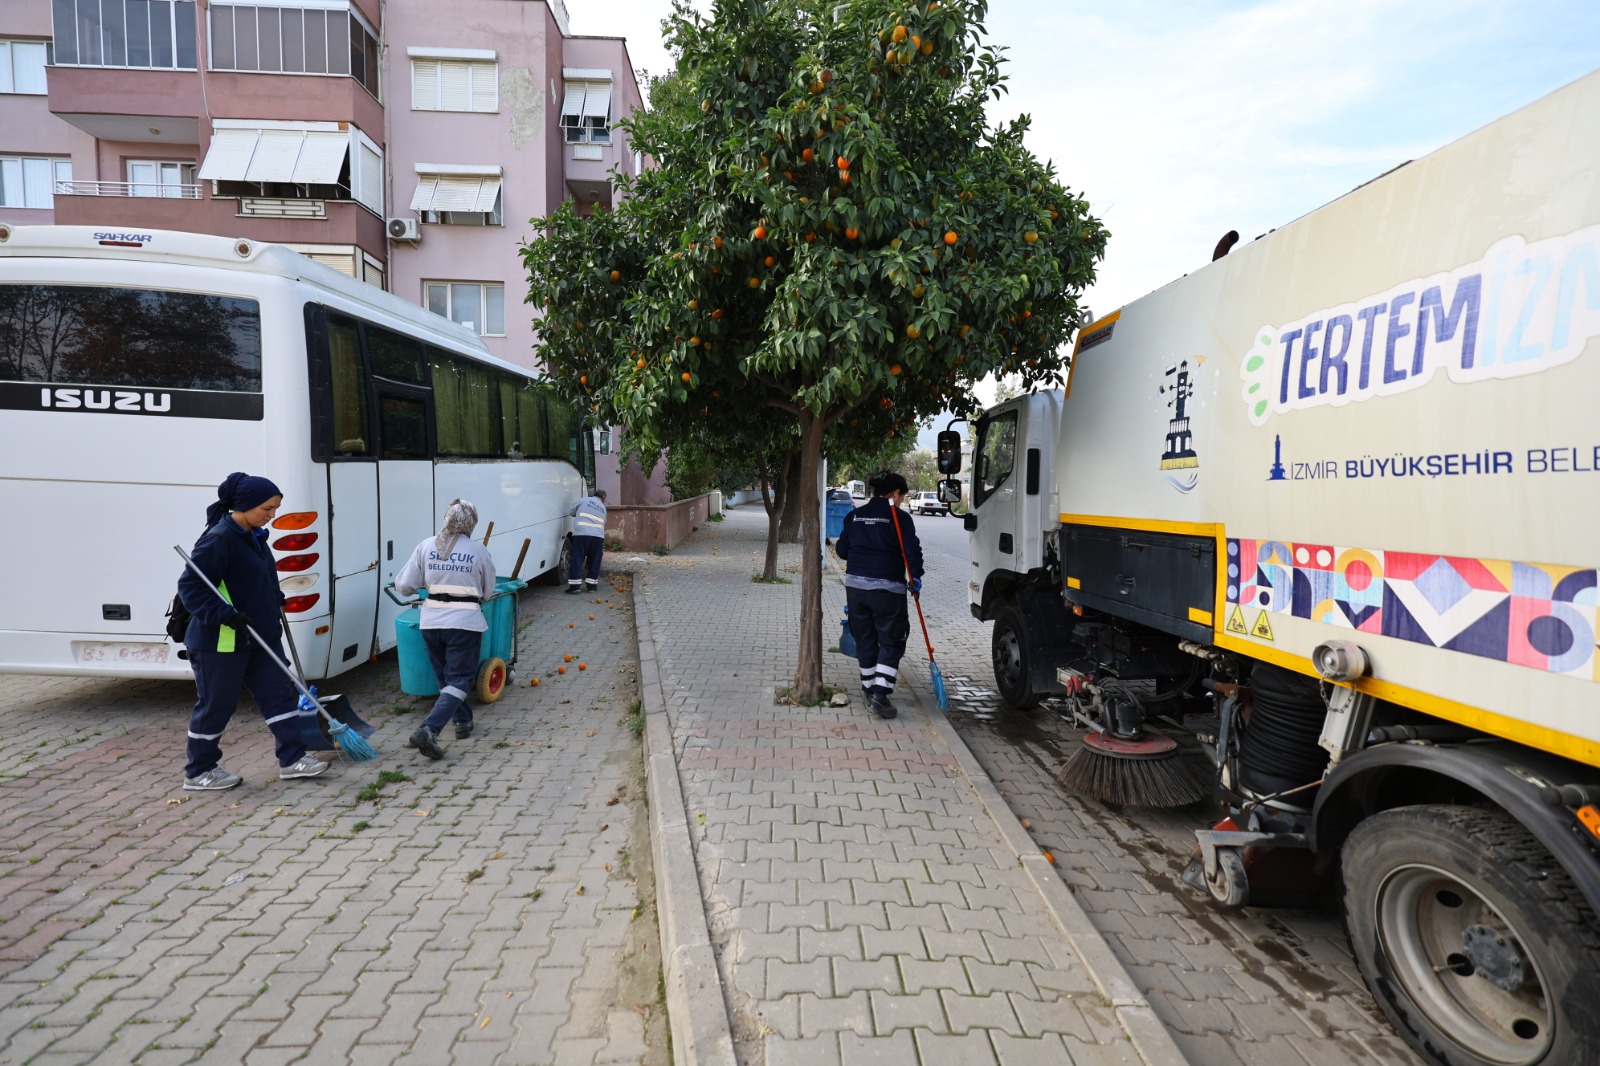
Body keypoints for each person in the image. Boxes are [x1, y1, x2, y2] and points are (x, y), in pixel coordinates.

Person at [177, 472, 330, 790]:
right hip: (222, 640)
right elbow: (191, 588)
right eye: (267, 509)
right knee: (217, 705)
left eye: (275, 508)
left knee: (280, 695)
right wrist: (223, 614)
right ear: (244, 506)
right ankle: (199, 771)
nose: (272, 516)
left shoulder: (256, 537)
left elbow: (256, 579)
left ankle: (293, 759)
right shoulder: (218, 540)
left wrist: (274, 597)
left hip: (261, 635)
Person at [395, 499, 496, 759]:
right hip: (464, 623)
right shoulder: (478, 550)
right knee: (460, 679)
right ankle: (429, 729)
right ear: (471, 521)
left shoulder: (426, 545)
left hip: (431, 622)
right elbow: (487, 591)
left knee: (445, 678)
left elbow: (404, 586)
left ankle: (462, 722)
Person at [834, 471, 924, 719]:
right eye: (902, 497)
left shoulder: (855, 515)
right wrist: (915, 577)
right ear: (895, 493)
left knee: (865, 638)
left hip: (856, 589)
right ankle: (880, 696)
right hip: (887, 590)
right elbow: (911, 551)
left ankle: (868, 687)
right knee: (891, 639)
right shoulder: (899, 518)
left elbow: (842, 550)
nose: (902, 501)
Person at [567, 488, 608, 594]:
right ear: (603, 498)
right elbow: (604, 522)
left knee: (577, 558)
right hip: (598, 537)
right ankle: (592, 586)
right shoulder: (603, 507)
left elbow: (571, 512)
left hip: (581, 534)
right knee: (594, 560)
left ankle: (575, 586)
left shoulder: (583, 500)